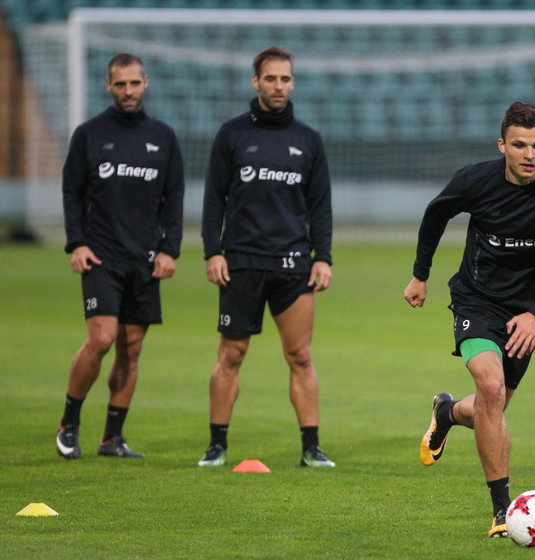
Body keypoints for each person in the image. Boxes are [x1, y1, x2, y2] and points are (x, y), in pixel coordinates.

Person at [403, 102, 535, 537]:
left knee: (491, 407)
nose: (529, 154)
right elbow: (436, 214)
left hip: (529, 312)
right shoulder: (475, 180)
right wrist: (421, 275)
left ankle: (448, 412)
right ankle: (502, 510)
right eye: (519, 145)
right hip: (476, 300)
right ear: (502, 145)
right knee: (491, 388)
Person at [198, 47, 335, 468]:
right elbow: (212, 201)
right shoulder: (232, 135)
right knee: (231, 356)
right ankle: (217, 445)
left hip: (293, 265)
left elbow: (320, 206)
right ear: (255, 82)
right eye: (271, 79)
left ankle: (311, 448)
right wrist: (212, 252)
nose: (279, 86)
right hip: (240, 263)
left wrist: (322, 256)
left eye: (286, 79)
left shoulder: (308, 140)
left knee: (301, 356)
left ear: (293, 83)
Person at [57, 53, 184, 460]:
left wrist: (169, 248)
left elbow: (174, 199)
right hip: (102, 256)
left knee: (131, 347)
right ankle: (69, 424)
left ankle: (112, 437)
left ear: (145, 82)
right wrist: (77, 242)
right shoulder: (90, 134)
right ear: (108, 86)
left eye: (134, 83)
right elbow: (72, 193)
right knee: (102, 339)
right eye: (120, 84)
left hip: (144, 259)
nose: (128, 91)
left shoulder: (163, 137)